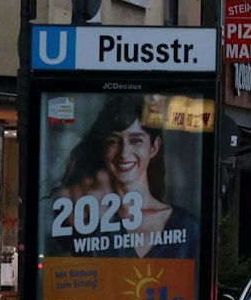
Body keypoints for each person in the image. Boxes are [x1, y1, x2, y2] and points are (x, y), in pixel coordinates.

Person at [55, 94, 198, 260]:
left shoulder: (186, 227)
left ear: (154, 147)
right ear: (103, 148)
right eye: (113, 141)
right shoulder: (87, 218)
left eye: (136, 140)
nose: (124, 153)